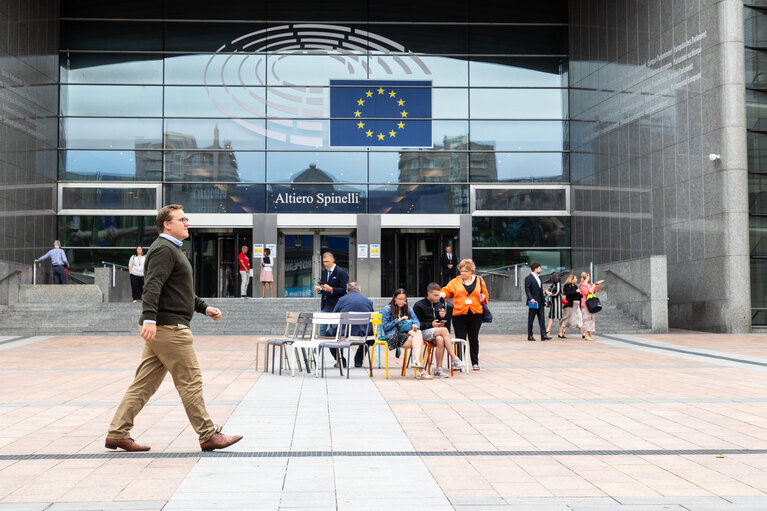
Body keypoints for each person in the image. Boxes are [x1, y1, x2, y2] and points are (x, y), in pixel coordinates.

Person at [105, 204, 242, 453]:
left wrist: (203, 307)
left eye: (186, 219)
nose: (187, 223)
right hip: (170, 329)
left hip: (165, 327)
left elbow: (180, 291)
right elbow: (152, 285)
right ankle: (208, 434)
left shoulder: (172, 250)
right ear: (167, 224)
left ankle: (117, 433)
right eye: (182, 219)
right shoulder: (163, 250)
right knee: (190, 382)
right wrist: (148, 318)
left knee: (143, 385)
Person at [441, 259, 488, 371]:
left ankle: (475, 362)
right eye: (461, 271)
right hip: (459, 313)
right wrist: (443, 293)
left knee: (473, 337)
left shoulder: (479, 280)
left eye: (465, 271)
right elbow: (447, 290)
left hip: (476, 312)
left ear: (471, 271)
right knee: (459, 338)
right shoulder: (455, 281)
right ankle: (459, 362)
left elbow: (485, 294)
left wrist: (483, 298)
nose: (462, 273)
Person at [413, 282, 463, 378]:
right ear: (428, 293)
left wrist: (443, 317)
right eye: (435, 295)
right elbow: (416, 324)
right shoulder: (419, 305)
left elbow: (442, 323)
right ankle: (454, 358)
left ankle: (438, 369)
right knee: (443, 331)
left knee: (440, 339)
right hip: (421, 332)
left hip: (435, 332)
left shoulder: (439, 304)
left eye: (438, 295)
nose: (437, 298)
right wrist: (431, 324)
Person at [381, 288, 433, 380]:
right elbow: (385, 327)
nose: (401, 301)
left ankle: (417, 361)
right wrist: (398, 320)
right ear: (394, 299)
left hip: (406, 335)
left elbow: (416, 321)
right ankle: (421, 370)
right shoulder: (387, 309)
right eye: (399, 299)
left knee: (418, 332)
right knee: (419, 341)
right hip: (393, 336)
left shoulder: (408, 309)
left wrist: (415, 325)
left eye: (403, 299)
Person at [331, 281, 374, 368]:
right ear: (359, 290)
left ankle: (341, 360)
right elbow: (372, 318)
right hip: (363, 333)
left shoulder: (342, 300)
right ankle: (358, 360)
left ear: (347, 291)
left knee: (329, 334)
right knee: (370, 333)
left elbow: (334, 315)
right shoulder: (368, 301)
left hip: (344, 333)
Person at [314, 252, 349, 351]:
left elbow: (344, 290)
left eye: (327, 261)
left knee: (336, 333)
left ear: (333, 260)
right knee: (321, 332)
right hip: (325, 306)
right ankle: (316, 356)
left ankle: (340, 359)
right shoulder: (324, 272)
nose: (325, 264)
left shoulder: (341, 272)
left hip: (336, 307)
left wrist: (332, 289)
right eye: (324, 262)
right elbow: (325, 288)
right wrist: (320, 290)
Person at [524, 262, 551, 342]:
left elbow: (540, 290)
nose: (540, 269)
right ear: (535, 269)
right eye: (539, 268)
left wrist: (544, 300)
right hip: (533, 302)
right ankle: (530, 335)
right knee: (531, 319)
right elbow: (527, 290)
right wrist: (531, 298)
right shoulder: (528, 278)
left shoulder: (539, 278)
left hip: (540, 302)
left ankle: (543, 335)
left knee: (542, 319)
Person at [580, 272, 604, 341]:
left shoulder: (588, 284)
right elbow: (587, 293)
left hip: (591, 304)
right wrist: (593, 286)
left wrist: (596, 285)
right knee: (586, 319)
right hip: (585, 304)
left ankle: (590, 334)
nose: (589, 277)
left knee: (591, 319)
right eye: (588, 276)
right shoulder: (583, 285)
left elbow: (593, 291)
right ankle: (587, 335)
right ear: (586, 276)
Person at [560, 273, 582, 339]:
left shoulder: (575, 286)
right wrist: (576, 291)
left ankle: (583, 334)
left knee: (579, 318)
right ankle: (560, 333)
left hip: (576, 305)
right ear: (571, 279)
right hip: (570, 305)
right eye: (575, 278)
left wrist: (581, 293)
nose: (576, 279)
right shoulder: (567, 286)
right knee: (566, 319)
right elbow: (568, 293)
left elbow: (578, 295)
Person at [545, 272, 563, 337]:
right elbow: (548, 290)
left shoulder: (558, 284)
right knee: (551, 316)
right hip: (553, 303)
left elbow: (557, 292)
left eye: (551, 277)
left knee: (559, 317)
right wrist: (546, 291)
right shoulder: (553, 284)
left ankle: (562, 330)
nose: (550, 278)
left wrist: (550, 293)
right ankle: (548, 330)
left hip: (557, 303)